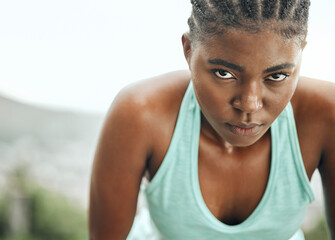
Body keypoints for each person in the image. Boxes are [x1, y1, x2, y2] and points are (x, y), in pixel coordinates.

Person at [89, 0, 335, 239]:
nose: (249, 104)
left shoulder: (326, 116)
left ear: (301, 51)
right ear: (189, 50)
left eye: (277, 76)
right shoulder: (140, 113)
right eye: (224, 73)